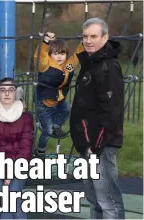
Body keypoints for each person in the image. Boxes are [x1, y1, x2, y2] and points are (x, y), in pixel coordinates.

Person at [70, 17, 125, 219]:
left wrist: (97, 146)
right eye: (85, 36)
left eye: (93, 36)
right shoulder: (89, 63)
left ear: (105, 37)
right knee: (94, 202)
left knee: (108, 201)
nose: (88, 40)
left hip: (99, 145)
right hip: (87, 143)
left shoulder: (108, 67)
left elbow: (112, 110)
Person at [0, 78, 34, 219]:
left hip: (18, 163)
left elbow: (26, 146)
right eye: (2, 90)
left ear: (16, 93)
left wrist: (12, 171)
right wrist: (3, 171)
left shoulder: (26, 117)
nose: (6, 93)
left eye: (10, 90)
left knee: (14, 195)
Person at [33, 32, 84, 158]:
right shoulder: (45, 65)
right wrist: (45, 42)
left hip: (59, 100)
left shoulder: (68, 65)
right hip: (44, 103)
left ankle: (57, 126)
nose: (59, 56)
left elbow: (77, 57)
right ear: (51, 54)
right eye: (55, 53)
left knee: (68, 109)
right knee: (47, 131)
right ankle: (40, 150)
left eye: (62, 53)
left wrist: (84, 42)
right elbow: (40, 56)